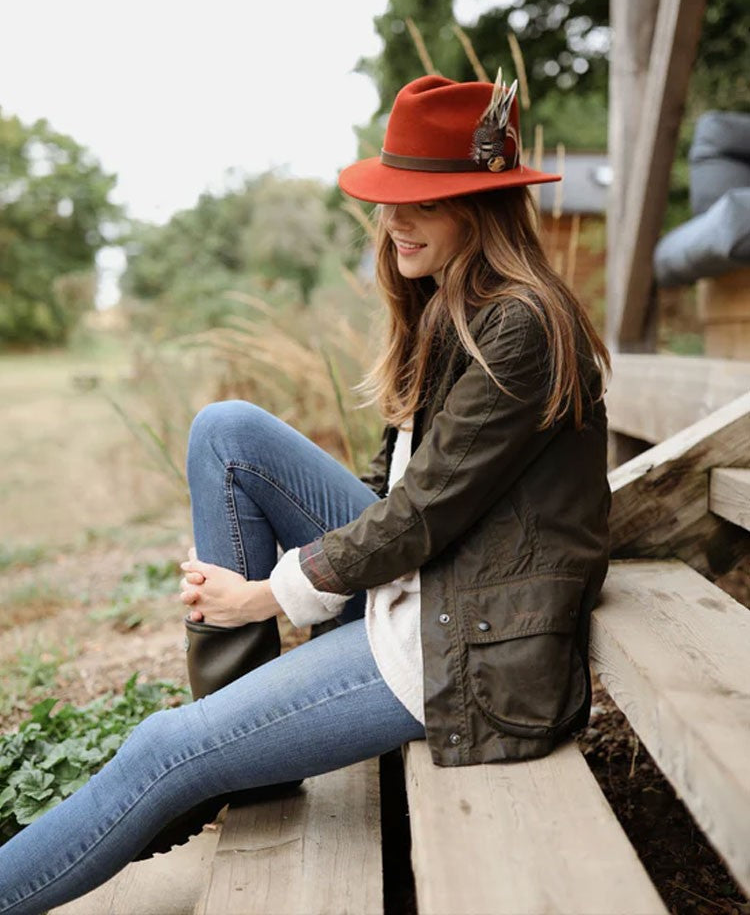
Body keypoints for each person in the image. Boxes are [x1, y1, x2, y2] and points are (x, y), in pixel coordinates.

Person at [0, 72, 611, 914]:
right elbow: (397, 487)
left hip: (459, 641)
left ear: (480, 208)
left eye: (420, 203)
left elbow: (421, 514)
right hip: (431, 583)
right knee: (228, 432)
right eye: (391, 200)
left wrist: (266, 595)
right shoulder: (457, 306)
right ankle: (243, 740)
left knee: (160, 750)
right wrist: (282, 588)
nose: (393, 222)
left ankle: (205, 761)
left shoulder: (520, 327)